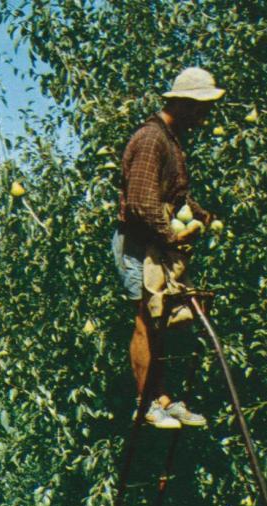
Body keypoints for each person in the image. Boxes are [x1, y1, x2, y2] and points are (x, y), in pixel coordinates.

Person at [112, 66, 223, 429]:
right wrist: (174, 236)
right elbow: (143, 203)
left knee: (165, 320)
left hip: (156, 244)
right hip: (140, 244)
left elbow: (176, 195)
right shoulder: (152, 140)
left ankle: (161, 398)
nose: (204, 117)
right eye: (201, 108)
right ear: (185, 103)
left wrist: (203, 218)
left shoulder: (171, 141)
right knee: (146, 319)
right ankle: (146, 405)